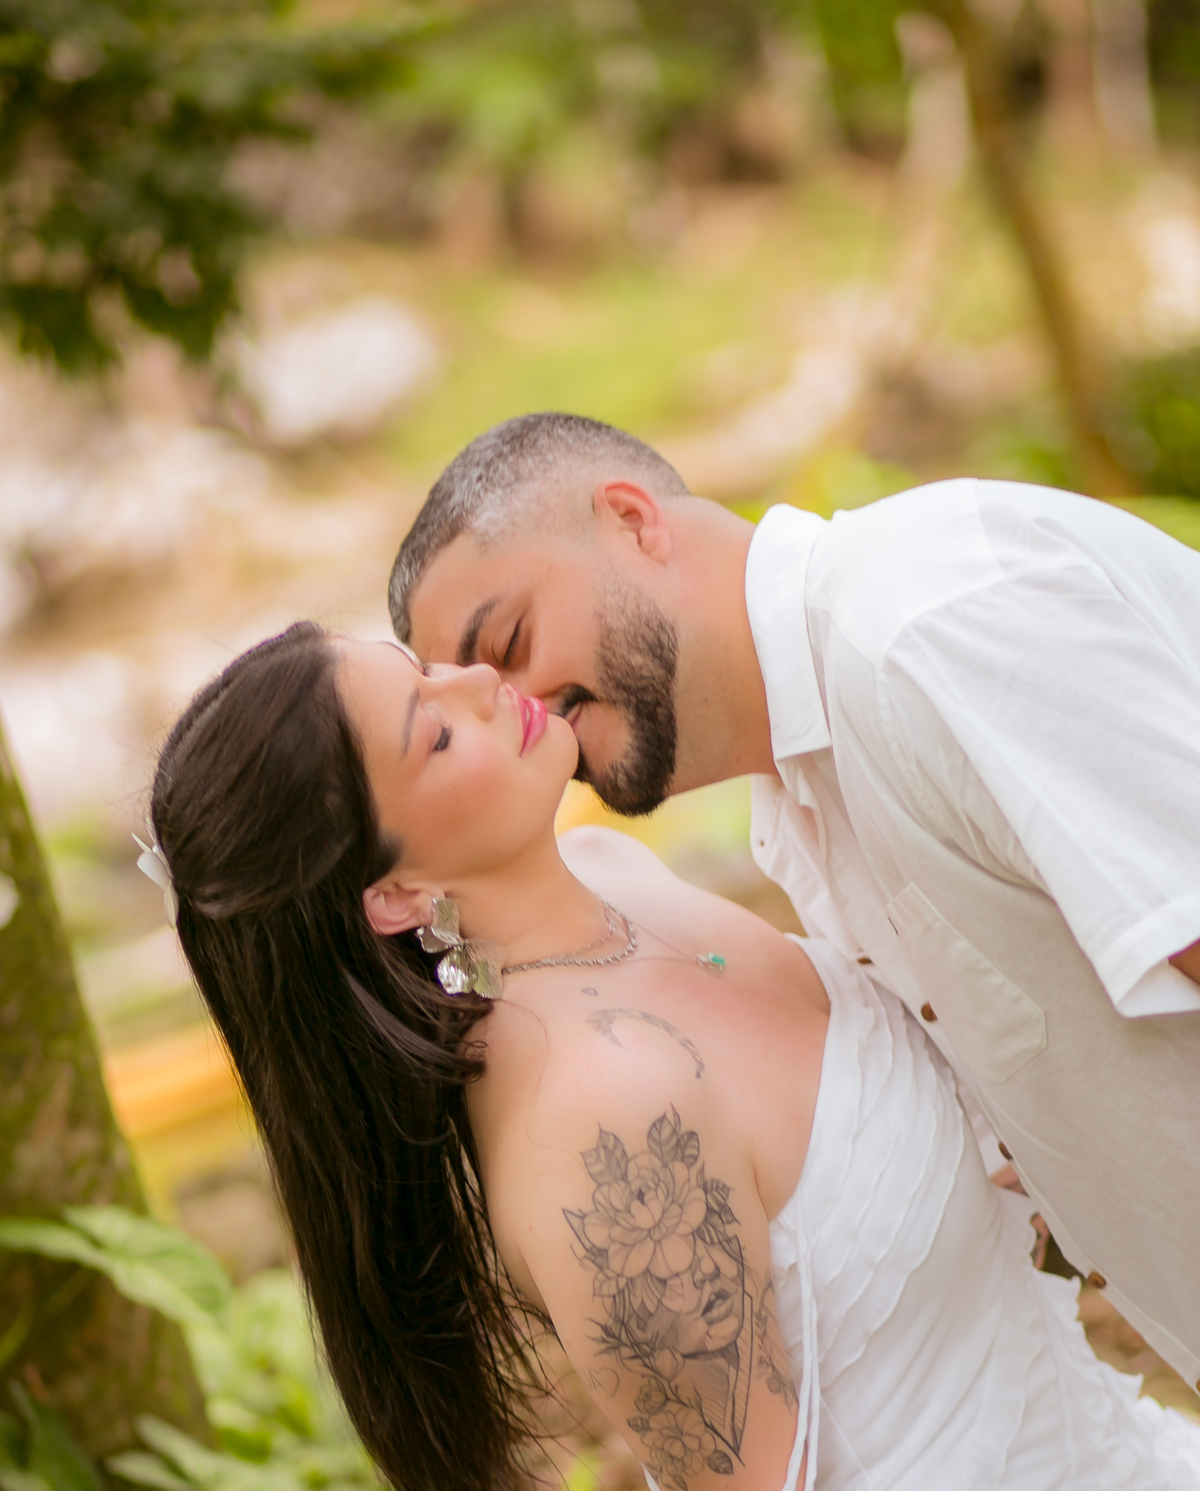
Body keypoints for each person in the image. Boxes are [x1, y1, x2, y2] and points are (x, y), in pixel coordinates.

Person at [146, 620, 1200, 1491]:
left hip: (1096, 1474)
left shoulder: (613, 884)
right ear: (394, 890)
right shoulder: (603, 1117)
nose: (481, 685)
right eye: (433, 727)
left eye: (428, 666)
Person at [388, 412, 1200, 1396]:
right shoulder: (801, 801)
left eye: (511, 642)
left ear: (635, 521)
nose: (525, 714)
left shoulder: (922, 631)